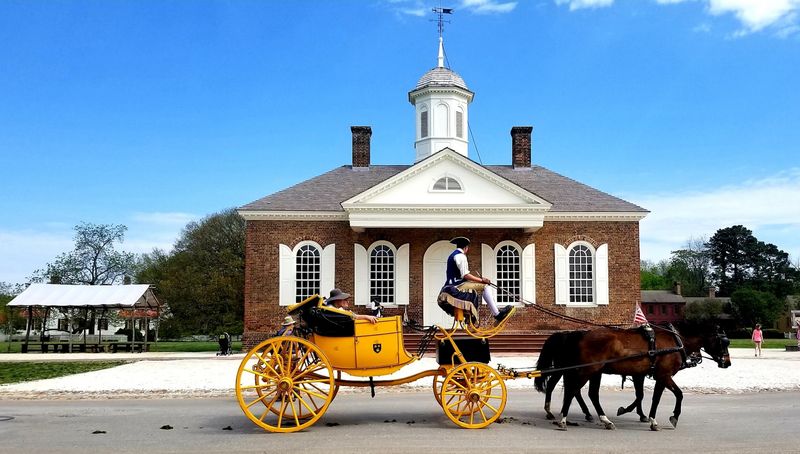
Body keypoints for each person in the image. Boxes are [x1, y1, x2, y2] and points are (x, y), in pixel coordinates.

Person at [439, 236, 512, 325]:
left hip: (451, 285)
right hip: (457, 286)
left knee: (480, 286)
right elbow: (465, 275)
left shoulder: (452, 255)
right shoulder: (461, 256)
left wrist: (479, 280)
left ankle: (470, 316)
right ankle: (497, 314)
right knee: (485, 287)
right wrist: (482, 280)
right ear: (466, 248)